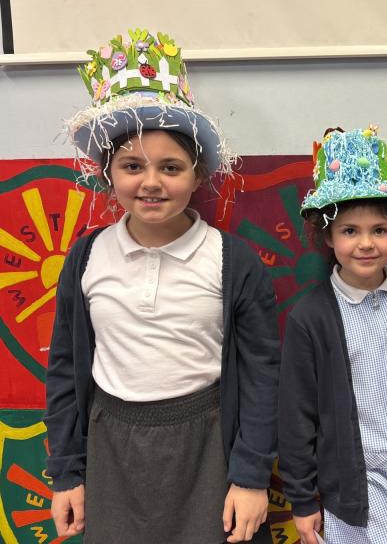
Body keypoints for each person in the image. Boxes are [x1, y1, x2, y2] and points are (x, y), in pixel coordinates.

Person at [44, 28, 279, 544]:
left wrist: (251, 476)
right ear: (109, 174)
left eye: (170, 167)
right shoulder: (86, 258)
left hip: (208, 449)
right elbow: (64, 368)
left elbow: (262, 374)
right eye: (132, 166)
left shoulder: (232, 261)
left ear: (198, 175)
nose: (151, 182)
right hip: (112, 452)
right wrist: (67, 472)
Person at [278, 126, 387, 544]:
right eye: (349, 231)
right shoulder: (311, 316)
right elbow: (296, 414)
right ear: (328, 236)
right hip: (356, 486)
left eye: (379, 229)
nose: (366, 243)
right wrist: (302, 500)